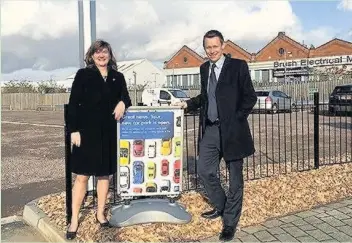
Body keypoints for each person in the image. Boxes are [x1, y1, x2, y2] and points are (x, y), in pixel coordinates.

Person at [174, 30, 257, 241]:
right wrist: (187, 104)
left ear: (223, 46)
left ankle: (230, 223)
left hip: (232, 131)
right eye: (208, 47)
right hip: (211, 129)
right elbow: (206, 95)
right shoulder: (204, 68)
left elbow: (250, 97)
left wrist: (237, 119)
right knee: (204, 170)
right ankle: (221, 206)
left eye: (215, 46)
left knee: (235, 180)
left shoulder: (238, 66)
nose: (212, 51)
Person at [66, 40, 132, 240]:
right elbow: (73, 103)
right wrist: (73, 130)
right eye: (97, 52)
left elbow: (126, 97)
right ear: (91, 55)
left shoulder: (117, 77)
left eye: (105, 52)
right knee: (82, 177)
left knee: (105, 176)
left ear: (110, 55)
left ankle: (100, 213)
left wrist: (122, 102)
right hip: (86, 133)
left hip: (108, 133)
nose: (101, 55)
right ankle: (74, 219)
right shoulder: (83, 75)